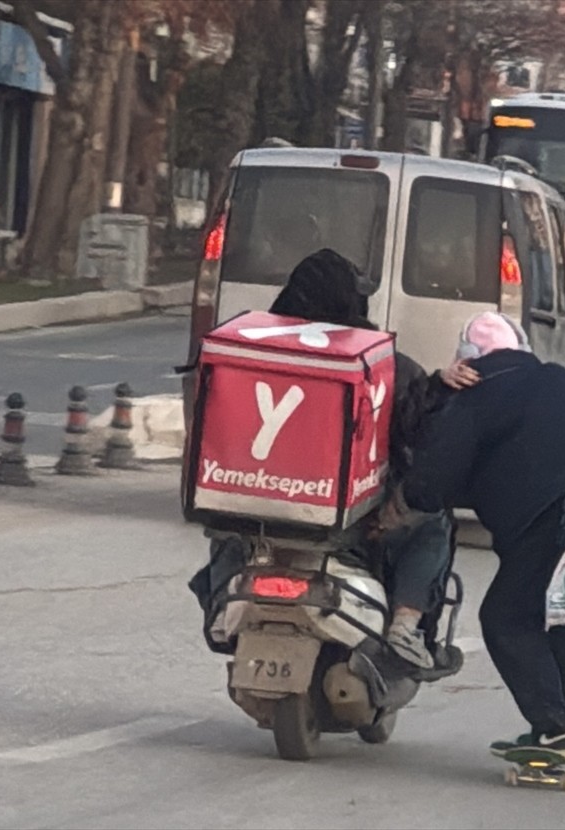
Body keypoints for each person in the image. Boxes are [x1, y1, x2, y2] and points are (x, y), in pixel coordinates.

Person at [397, 311, 565, 759]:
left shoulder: (474, 398)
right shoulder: (554, 376)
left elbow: (428, 486)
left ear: (467, 361)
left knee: (507, 617)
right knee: (557, 607)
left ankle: (557, 726)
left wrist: (404, 502)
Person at [194, 248, 458, 669]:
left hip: (260, 513)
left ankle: (221, 604)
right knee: (433, 524)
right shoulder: (384, 363)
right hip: (351, 525)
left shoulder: (256, 352)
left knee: (228, 524)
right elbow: (419, 435)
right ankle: (406, 627)